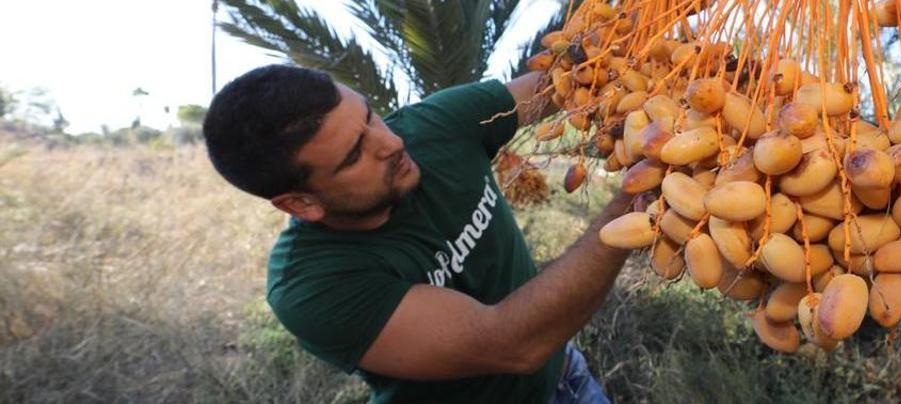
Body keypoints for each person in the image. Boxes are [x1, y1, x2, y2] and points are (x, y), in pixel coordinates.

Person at [202, 64, 634, 403]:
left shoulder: (431, 126)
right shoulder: (312, 285)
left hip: (568, 382)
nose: (390, 143)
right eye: (355, 155)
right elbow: (512, 343)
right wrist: (634, 200)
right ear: (301, 203)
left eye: (370, 116)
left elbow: (562, 79)